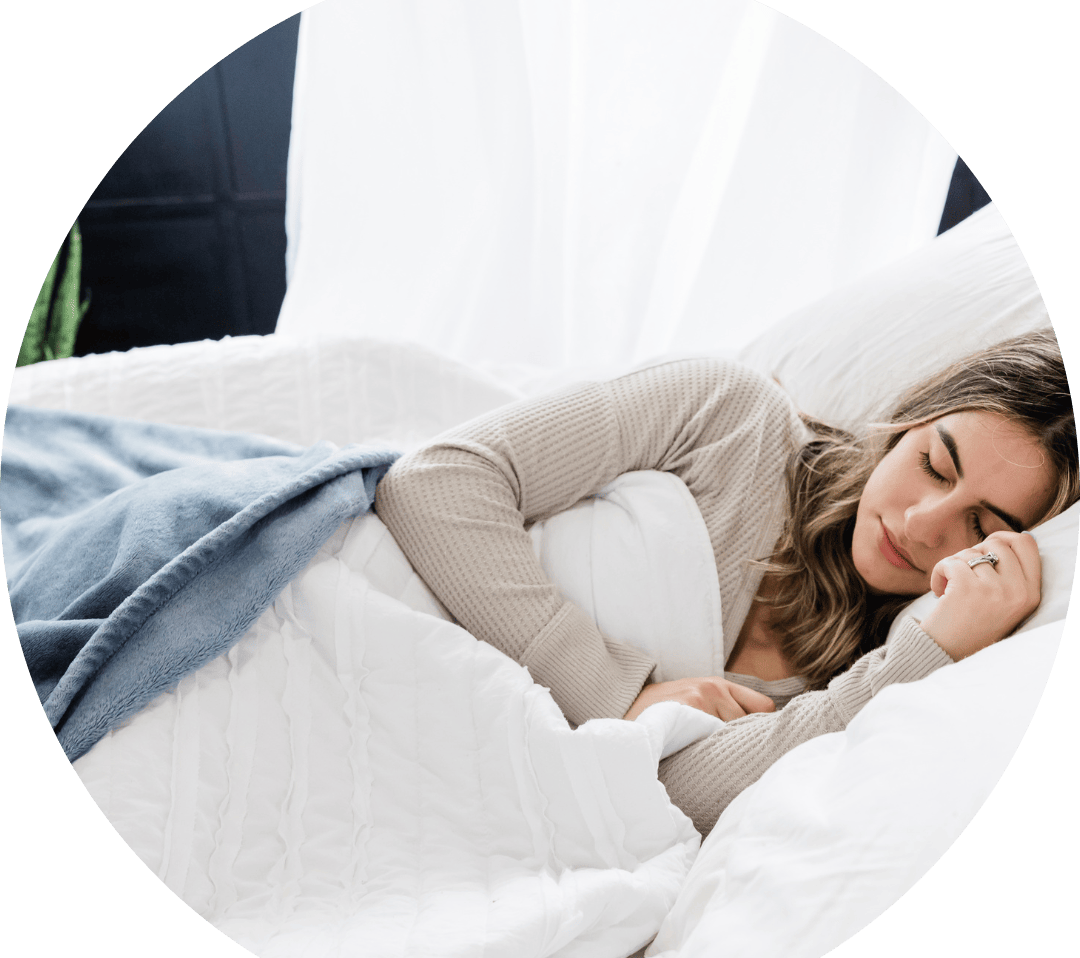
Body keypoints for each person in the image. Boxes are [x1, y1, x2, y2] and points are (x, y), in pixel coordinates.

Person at [374, 329, 1077, 834]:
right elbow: (432, 483)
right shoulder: (730, 416)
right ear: (909, 423)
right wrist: (618, 694)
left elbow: (680, 790)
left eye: (981, 526)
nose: (925, 526)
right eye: (934, 464)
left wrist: (924, 656)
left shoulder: (891, 665)